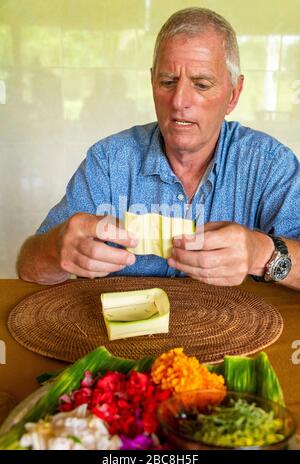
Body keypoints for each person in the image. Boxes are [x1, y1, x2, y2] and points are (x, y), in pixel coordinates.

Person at [17, 7, 300, 290]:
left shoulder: (269, 164)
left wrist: (262, 252)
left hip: (244, 331)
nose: (179, 101)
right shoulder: (108, 162)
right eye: (167, 82)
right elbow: (27, 266)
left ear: (233, 95)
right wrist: (57, 250)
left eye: (201, 84)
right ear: (152, 82)